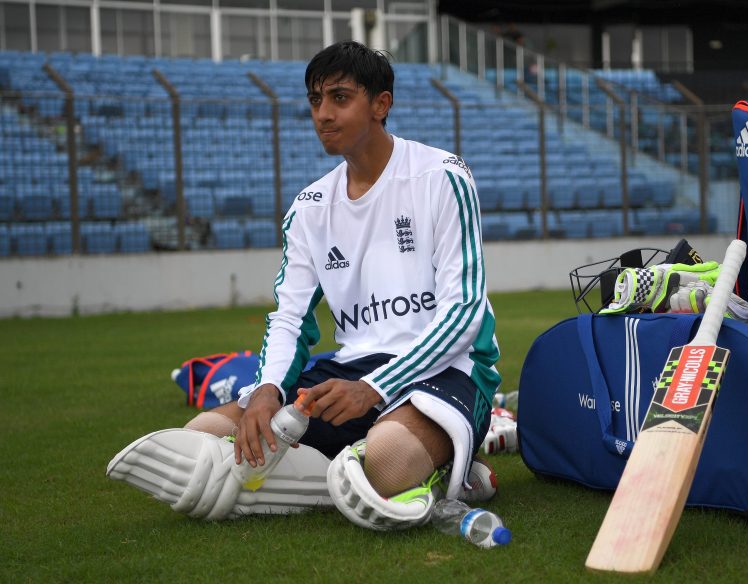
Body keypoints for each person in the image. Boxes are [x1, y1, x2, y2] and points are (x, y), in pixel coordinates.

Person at [108, 41, 501, 526]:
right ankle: (344, 474)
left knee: (388, 460)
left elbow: (464, 313)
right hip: (351, 369)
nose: (323, 114)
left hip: (447, 369)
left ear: (381, 104)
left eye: (340, 98)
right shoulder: (310, 207)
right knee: (204, 432)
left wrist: (374, 389)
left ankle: (426, 466)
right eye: (316, 100)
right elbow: (288, 316)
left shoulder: (442, 177)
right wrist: (268, 389)